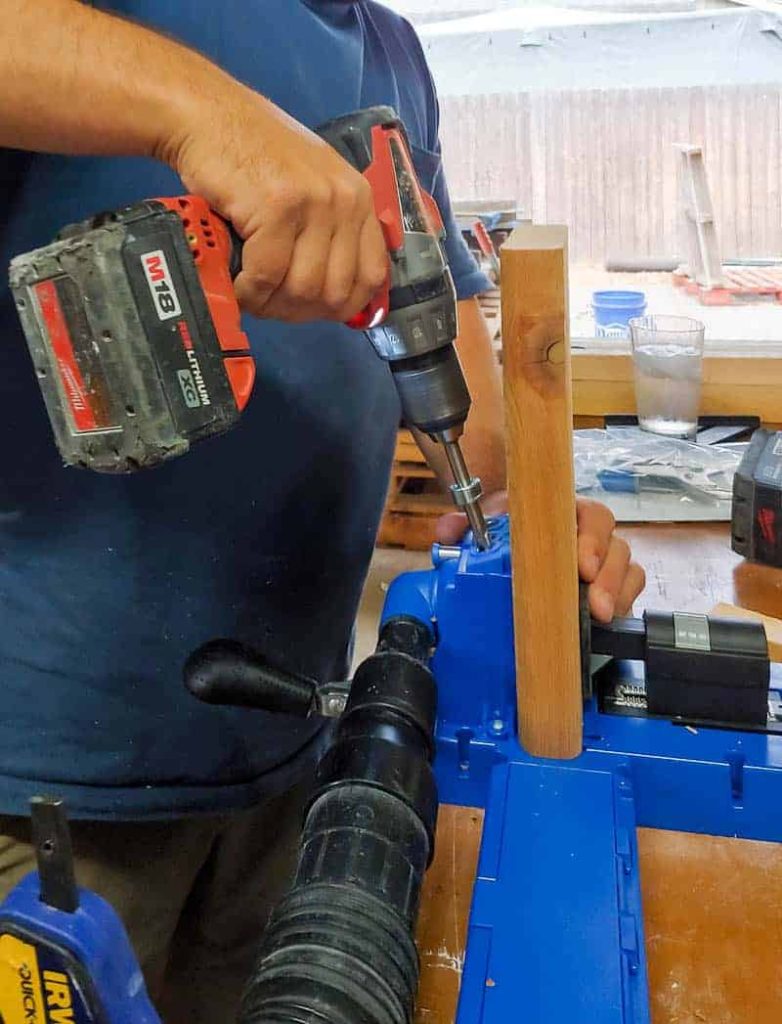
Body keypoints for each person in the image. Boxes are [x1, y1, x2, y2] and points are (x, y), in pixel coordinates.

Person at [0, 1, 645, 1020]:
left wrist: (534, 521)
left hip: (290, 752)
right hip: (51, 792)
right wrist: (201, 113)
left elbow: (453, 376)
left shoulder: (390, 50)